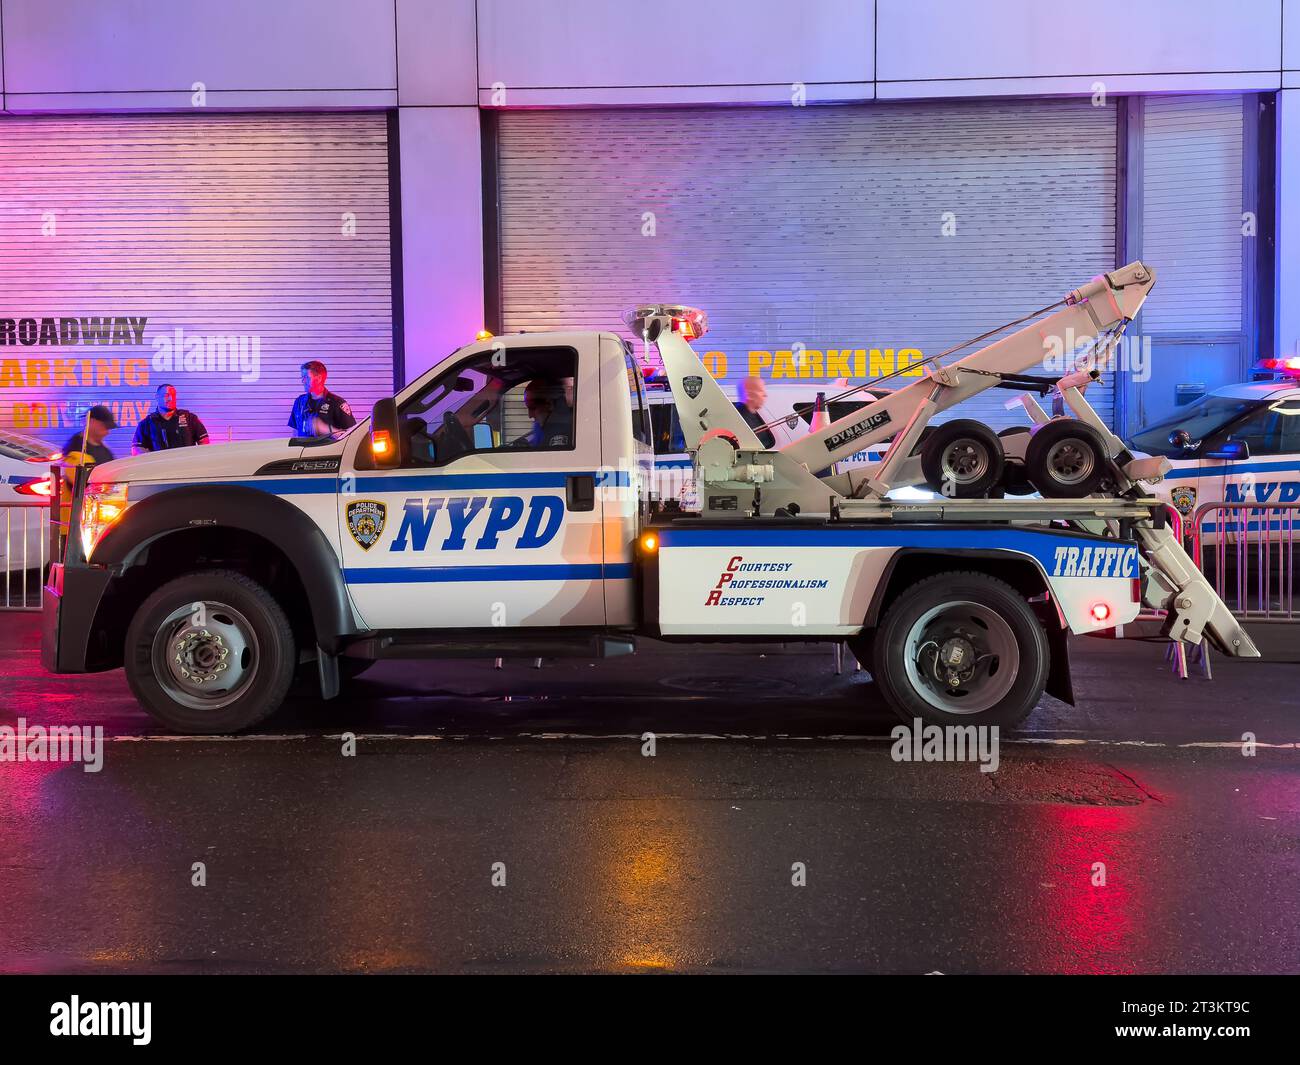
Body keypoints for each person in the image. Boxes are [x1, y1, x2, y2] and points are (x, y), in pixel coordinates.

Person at [132, 384, 210, 454]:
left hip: (187, 467)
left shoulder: (190, 418)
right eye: (166, 395)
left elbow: (204, 442)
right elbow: (136, 449)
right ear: (156, 397)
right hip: (160, 468)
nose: (171, 398)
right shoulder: (146, 423)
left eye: (173, 395)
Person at [290, 360, 356, 438]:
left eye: (306, 377)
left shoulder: (338, 403)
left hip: (327, 450)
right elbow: (295, 432)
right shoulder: (299, 402)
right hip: (303, 450)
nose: (303, 381)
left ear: (319, 378)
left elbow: (352, 435)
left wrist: (325, 429)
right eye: (302, 377)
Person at [514, 380, 572, 448]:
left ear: (549, 404)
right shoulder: (548, 427)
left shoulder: (559, 432)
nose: (530, 415)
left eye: (532, 408)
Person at [734, 375, 775, 448]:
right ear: (748, 395)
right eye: (761, 391)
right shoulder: (739, 419)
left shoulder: (754, 416)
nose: (765, 395)